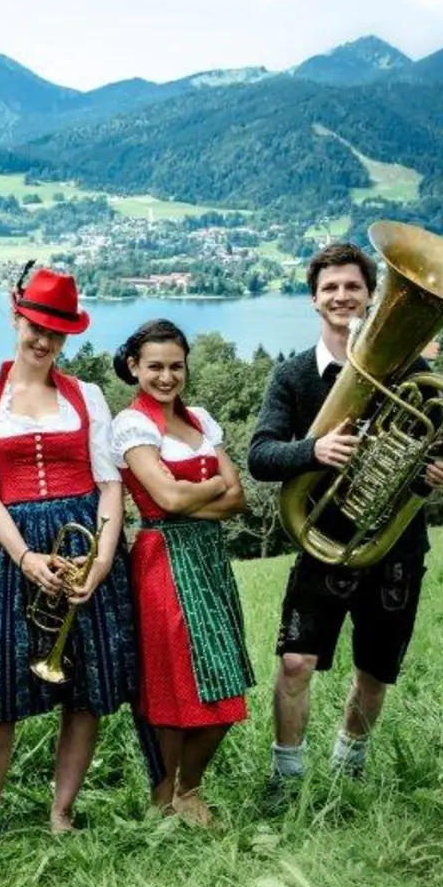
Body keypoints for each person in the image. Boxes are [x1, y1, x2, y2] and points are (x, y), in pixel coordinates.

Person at [246, 243, 443, 801]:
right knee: (295, 662)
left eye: (353, 287)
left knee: (375, 668)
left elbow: (436, 452)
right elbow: (260, 456)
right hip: (324, 542)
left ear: (371, 297)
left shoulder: (416, 372)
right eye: (330, 288)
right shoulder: (293, 377)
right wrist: (314, 451)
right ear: (314, 299)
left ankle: (350, 769)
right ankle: (286, 777)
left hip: (395, 547)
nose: (342, 296)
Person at [0, 268, 136, 844]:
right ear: (16, 318)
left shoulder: (88, 395)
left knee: (84, 689)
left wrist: (103, 559)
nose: (44, 341)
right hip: (18, 554)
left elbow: (110, 484)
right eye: (36, 326)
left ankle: (62, 810)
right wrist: (25, 556)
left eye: (56, 333)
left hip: (84, 549)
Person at [109, 320, 254, 827]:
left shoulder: (202, 421)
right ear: (134, 368)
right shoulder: (132, 425)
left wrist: (193, 496)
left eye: (175, 366)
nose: (167, 377)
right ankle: (165, 794)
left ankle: (188, 788)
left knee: (224, 677)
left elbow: (238, 499)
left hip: (208, 558)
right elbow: (165, 499)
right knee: (175, 683)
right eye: (155, 367)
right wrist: (210, 486)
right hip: (162, 557)